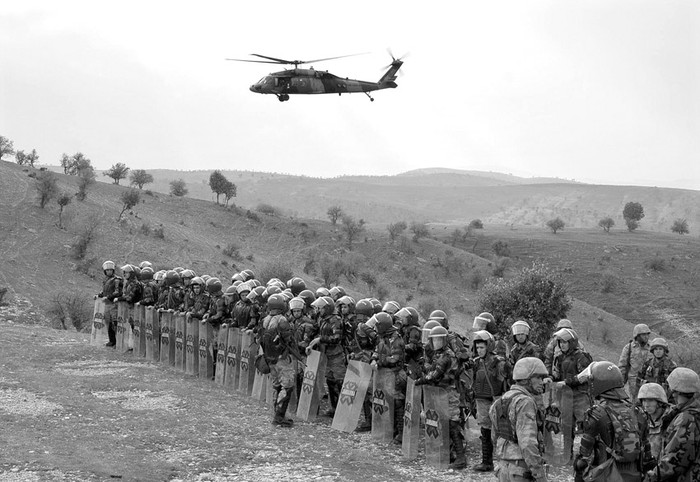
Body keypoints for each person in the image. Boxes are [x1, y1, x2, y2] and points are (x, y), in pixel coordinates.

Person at [573, 361, 653, 482]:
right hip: (635, 476)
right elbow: (647, 456)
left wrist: (579, 476)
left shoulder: (596, 414)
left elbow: (583, 459)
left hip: (608, 475)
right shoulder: (638, 412)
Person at [489, 357, 548, 482]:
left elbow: (494, 437)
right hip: (521, 470)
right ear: (526, 380)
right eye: (538, 377)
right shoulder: (525, 402)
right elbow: (527, 443)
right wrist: (539, 473)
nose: (542, 382)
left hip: (503, 467)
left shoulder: (501, 400)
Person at [415, 325, 465, 469]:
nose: (436, 342)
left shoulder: (447, 355)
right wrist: (424, 365)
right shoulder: (437, 355)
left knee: (453, 423)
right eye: (433, 340)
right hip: (440, 392)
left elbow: (435, 375)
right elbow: (431, 370)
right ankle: (447, 453)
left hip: (449, 392)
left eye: (438, 340)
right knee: (442, 422)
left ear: (444, 340)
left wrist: (420, 381)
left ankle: (461, 457)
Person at [644, 367, 700, 482]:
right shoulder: (689, 412)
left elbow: (673, 462)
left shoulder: (686, 419)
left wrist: (651, 477)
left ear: (676, 391)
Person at [472, 330, 512, 472]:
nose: (479, 350)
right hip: (482, 400)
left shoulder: (499, 363)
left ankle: (505, 462)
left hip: (496, 399)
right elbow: (474, 380)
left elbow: (508, 381)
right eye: (477, 348)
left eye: (482, 347)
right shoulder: (476, 362)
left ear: (488, 346)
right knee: (485, 430)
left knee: (502, 431)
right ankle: (487, 461)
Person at [260, 293, 300, 427]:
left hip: (270, 358)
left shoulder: (265, 320)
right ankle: (279, 417)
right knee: (287, 386)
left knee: (276, 385)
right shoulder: (282, 320)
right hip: (282, 358)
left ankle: (277, 414)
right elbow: (289, 339)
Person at [371, 312, 407, 445]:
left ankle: (401, 433)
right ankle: (391, 430)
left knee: (398, 404)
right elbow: (376, 350)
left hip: (395, 375)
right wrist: (374, 359)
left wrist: (379, 362)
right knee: (388, 401)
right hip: (385, 375)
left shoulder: (396, 339)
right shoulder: (382, 337)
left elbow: (394, 359)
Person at [552, 328, 593, 440]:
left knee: (587, 426)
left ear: (572, 343)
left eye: (565, 342)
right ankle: (567, 454)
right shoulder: (559, 358)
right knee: (566, 427)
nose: (562, 345)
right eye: (560, 342)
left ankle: (588, 454)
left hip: (580, 396)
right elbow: (556, 375)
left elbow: (584, 376)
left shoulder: (581, 357)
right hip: (566, 397)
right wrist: (549, 379)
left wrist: (566, 382)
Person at [311, 295, 346, 417]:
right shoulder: (322, 319)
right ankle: (334, 408)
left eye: (321, 308)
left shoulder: (336, 320)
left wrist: (321, 339)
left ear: (328, 308)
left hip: (335, 355)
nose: (319, 311)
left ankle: (343, 410)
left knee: (340, 382)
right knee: (330, 381)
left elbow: (336, 338)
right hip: (326, 354)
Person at [618, 324, 652, 403]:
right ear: (637, 335)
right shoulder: (629, 348)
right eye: (643, 334)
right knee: (635, 405)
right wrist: (620, 384)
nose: (646, 336)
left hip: (649, 382)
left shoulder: (653, 347)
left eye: (647, 334)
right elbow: (622, 367)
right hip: (634, 384)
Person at [637, 382, 670, 462]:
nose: (646, 405)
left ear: (660, 402)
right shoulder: (641, 418)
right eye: (644, 400)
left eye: (650, 400)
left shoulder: (670, 419)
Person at [636, 337, 676, 402]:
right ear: (653, 351)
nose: (658, 351)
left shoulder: (671, 365)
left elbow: (675, 386)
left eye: (660, 349)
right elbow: (639, 380)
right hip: (649, 397)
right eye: (656, 349)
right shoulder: (647, 364)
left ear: (664, 351)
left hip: (665, 399)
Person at [98, 260, 122, 347]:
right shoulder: (105, 280)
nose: (109, 271)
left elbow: (118, 292)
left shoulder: (117, 280)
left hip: (114, 304)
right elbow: (104, 291)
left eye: (110, 270)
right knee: (108, 323)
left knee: (115, 322)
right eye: (107, 270)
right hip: (107, 305)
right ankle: (111, 340)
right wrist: (98, 295)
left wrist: (108, 297)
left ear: (113, 270)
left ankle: (118, 341)